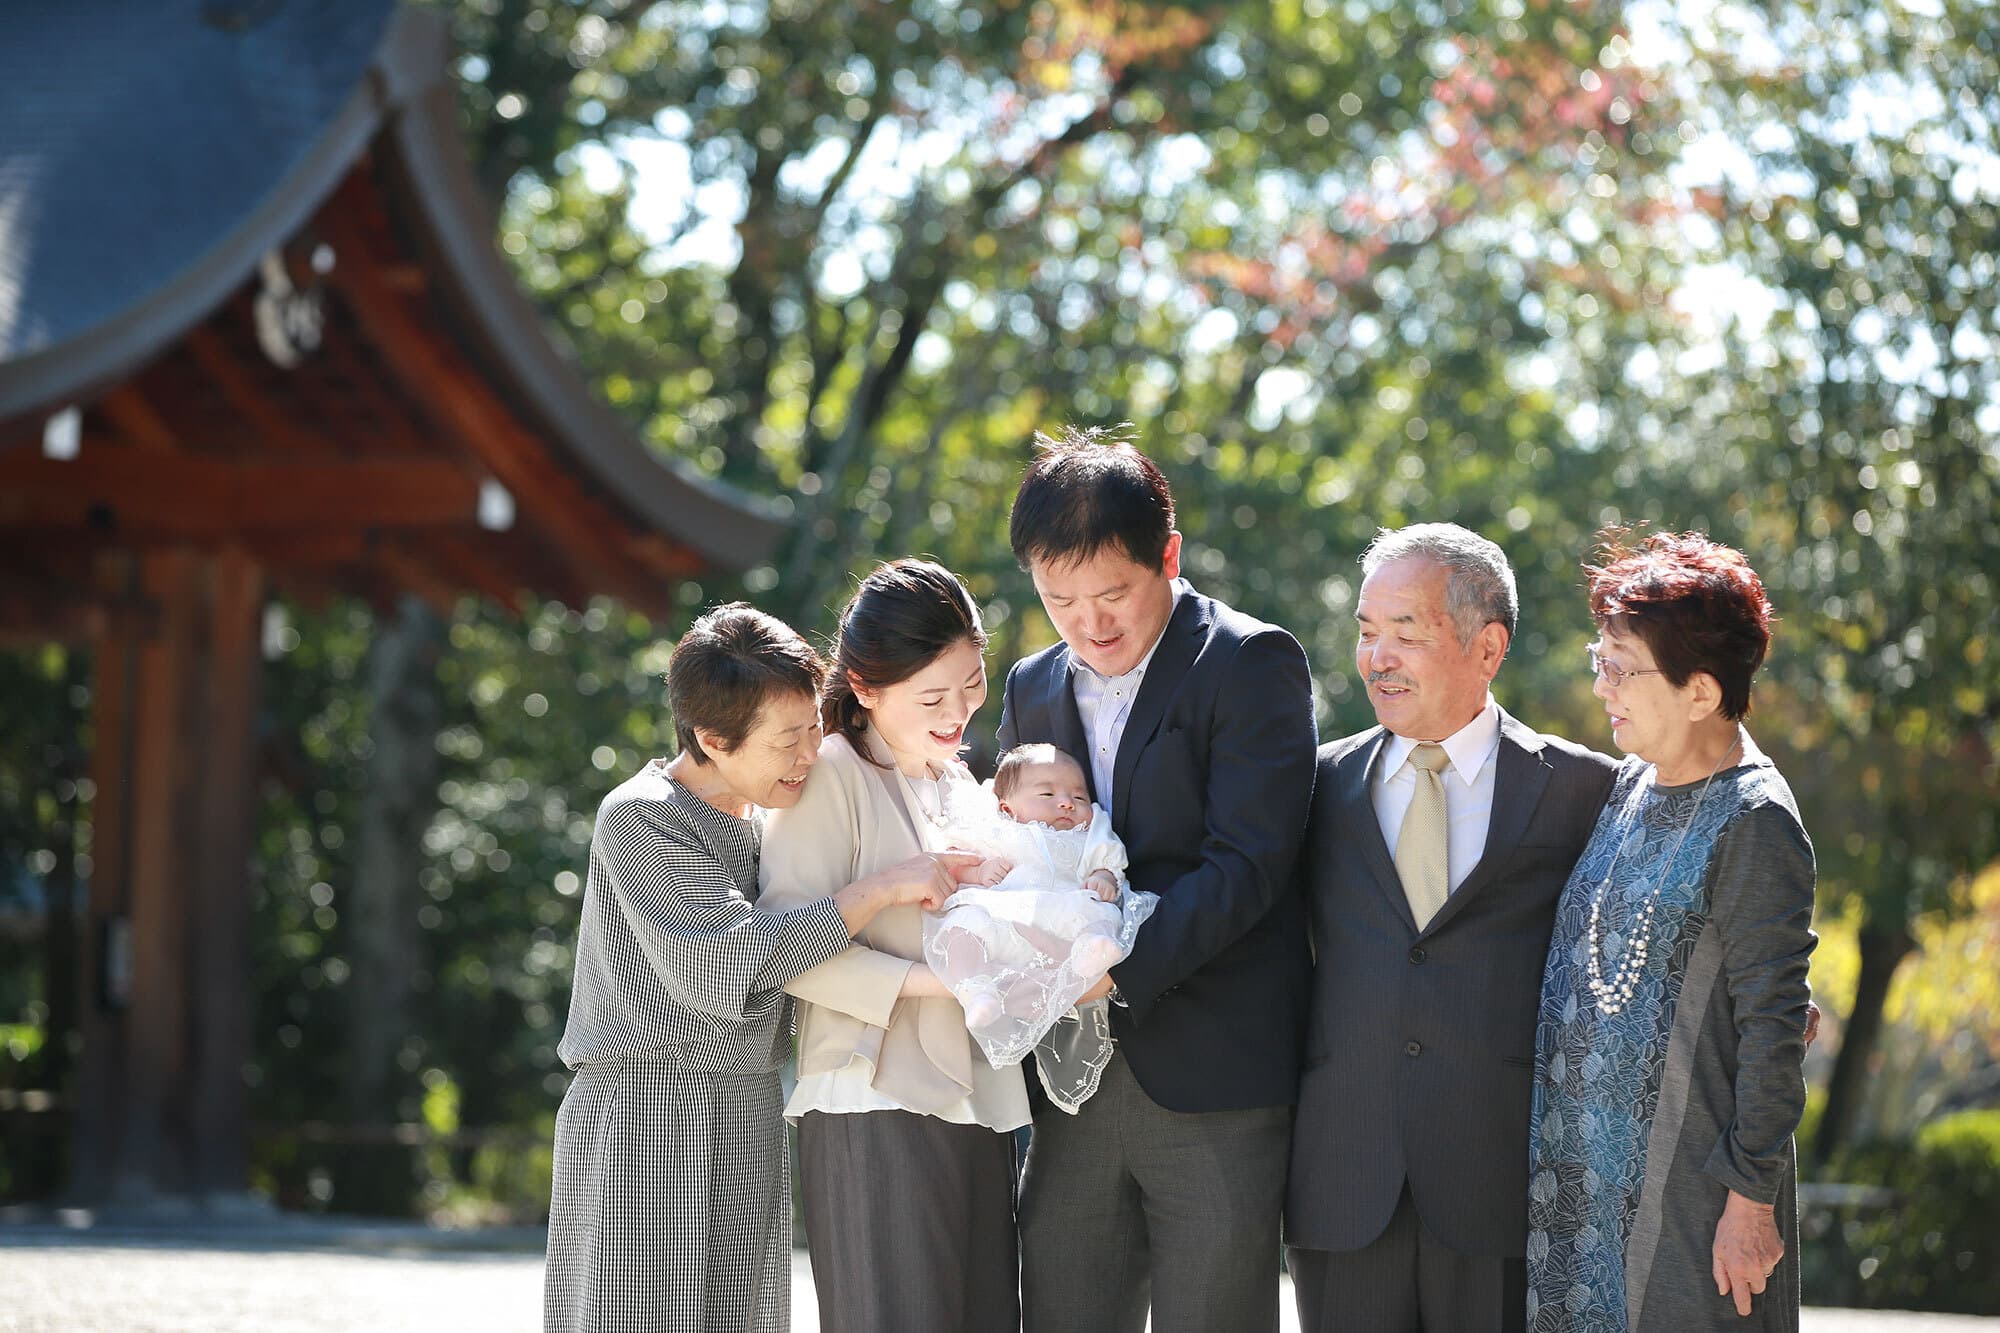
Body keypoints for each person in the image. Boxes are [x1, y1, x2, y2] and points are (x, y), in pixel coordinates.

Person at [543, 603, 973, 1333]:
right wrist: (879, 889)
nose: (811, 753)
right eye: (787, 740)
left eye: (812, 727)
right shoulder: (640, 817)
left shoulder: (765, 816)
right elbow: (728, 963)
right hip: (645, 1120)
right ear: (714, 740)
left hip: (747, 1109)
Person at [997, 427, 1318, 1332]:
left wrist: (1111, 969)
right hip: (1068, 1083)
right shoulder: (1030, 684)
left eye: (1113, 594)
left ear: (1168, 556)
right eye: (1060, 600)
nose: (1089, 624)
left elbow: (1248, 862)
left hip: (1214, 1075)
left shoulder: (1250, 661)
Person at [1285, 523, 1618, 1333]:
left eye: (1406, 631)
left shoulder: (1584, 790)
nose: (1378, 657)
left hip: (1500, 1186)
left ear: (1488, 646)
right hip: (1344, 1183)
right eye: (1367, 631)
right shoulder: (1314, 785)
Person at [1527, 531, 1816, 1332]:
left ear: (1701, 692)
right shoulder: (1629, 783)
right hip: (1574, 1199)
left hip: (1686, 1209)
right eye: (1601, 659)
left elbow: (1774, 1027)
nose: (1602, 685)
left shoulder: (1755, 820)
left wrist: (1750, 1200)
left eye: (1623, 668)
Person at [758, 559, 1025, 1333]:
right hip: (873, 1099)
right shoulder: (832, 771)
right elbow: (789, 948)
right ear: (866, 688)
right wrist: (944, 983)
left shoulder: (957, 780)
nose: (959, 711)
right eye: (932, 697)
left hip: (975, 1100)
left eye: (972, 683)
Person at [922, 742, 1158, 1091]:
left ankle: (1091, 950)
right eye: (1047, 793)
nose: (1066, 803)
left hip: (1063, 918)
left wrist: (1105, 876)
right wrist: (979, 871)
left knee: (1100, 908)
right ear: (1007, 807)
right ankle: (976, 988)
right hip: (1005, 918)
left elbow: (1108, 858)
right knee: (963, 921)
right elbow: (956, 859)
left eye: (1078, 796)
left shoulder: (1088, 831)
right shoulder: (995, 827)